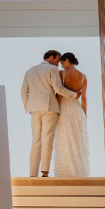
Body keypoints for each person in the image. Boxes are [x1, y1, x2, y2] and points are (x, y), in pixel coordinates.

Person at [21, 50, 79, 178]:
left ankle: (32, 175)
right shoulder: (52, 70)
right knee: (47, 139)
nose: (58, 64)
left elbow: (23, 92)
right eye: (57, 61)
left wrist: (28, 107)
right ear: (51, 58)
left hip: (34, 109)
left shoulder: (29, 71)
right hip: (50, 107)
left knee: (36, 141)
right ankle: (45, 172)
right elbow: (58, 89)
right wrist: (74, 95)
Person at [54, 52, 90, 177]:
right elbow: (84, 99)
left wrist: (56, 111)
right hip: (77, 110)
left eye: (62, 62)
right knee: (77, 140)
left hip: (64, 108)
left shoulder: (61, 74)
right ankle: (79, 173)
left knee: (65, 140)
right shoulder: (83, 77)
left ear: (68, 60)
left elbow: (59, 95)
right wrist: (84, 115)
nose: (61, 65)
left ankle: (67, 173)